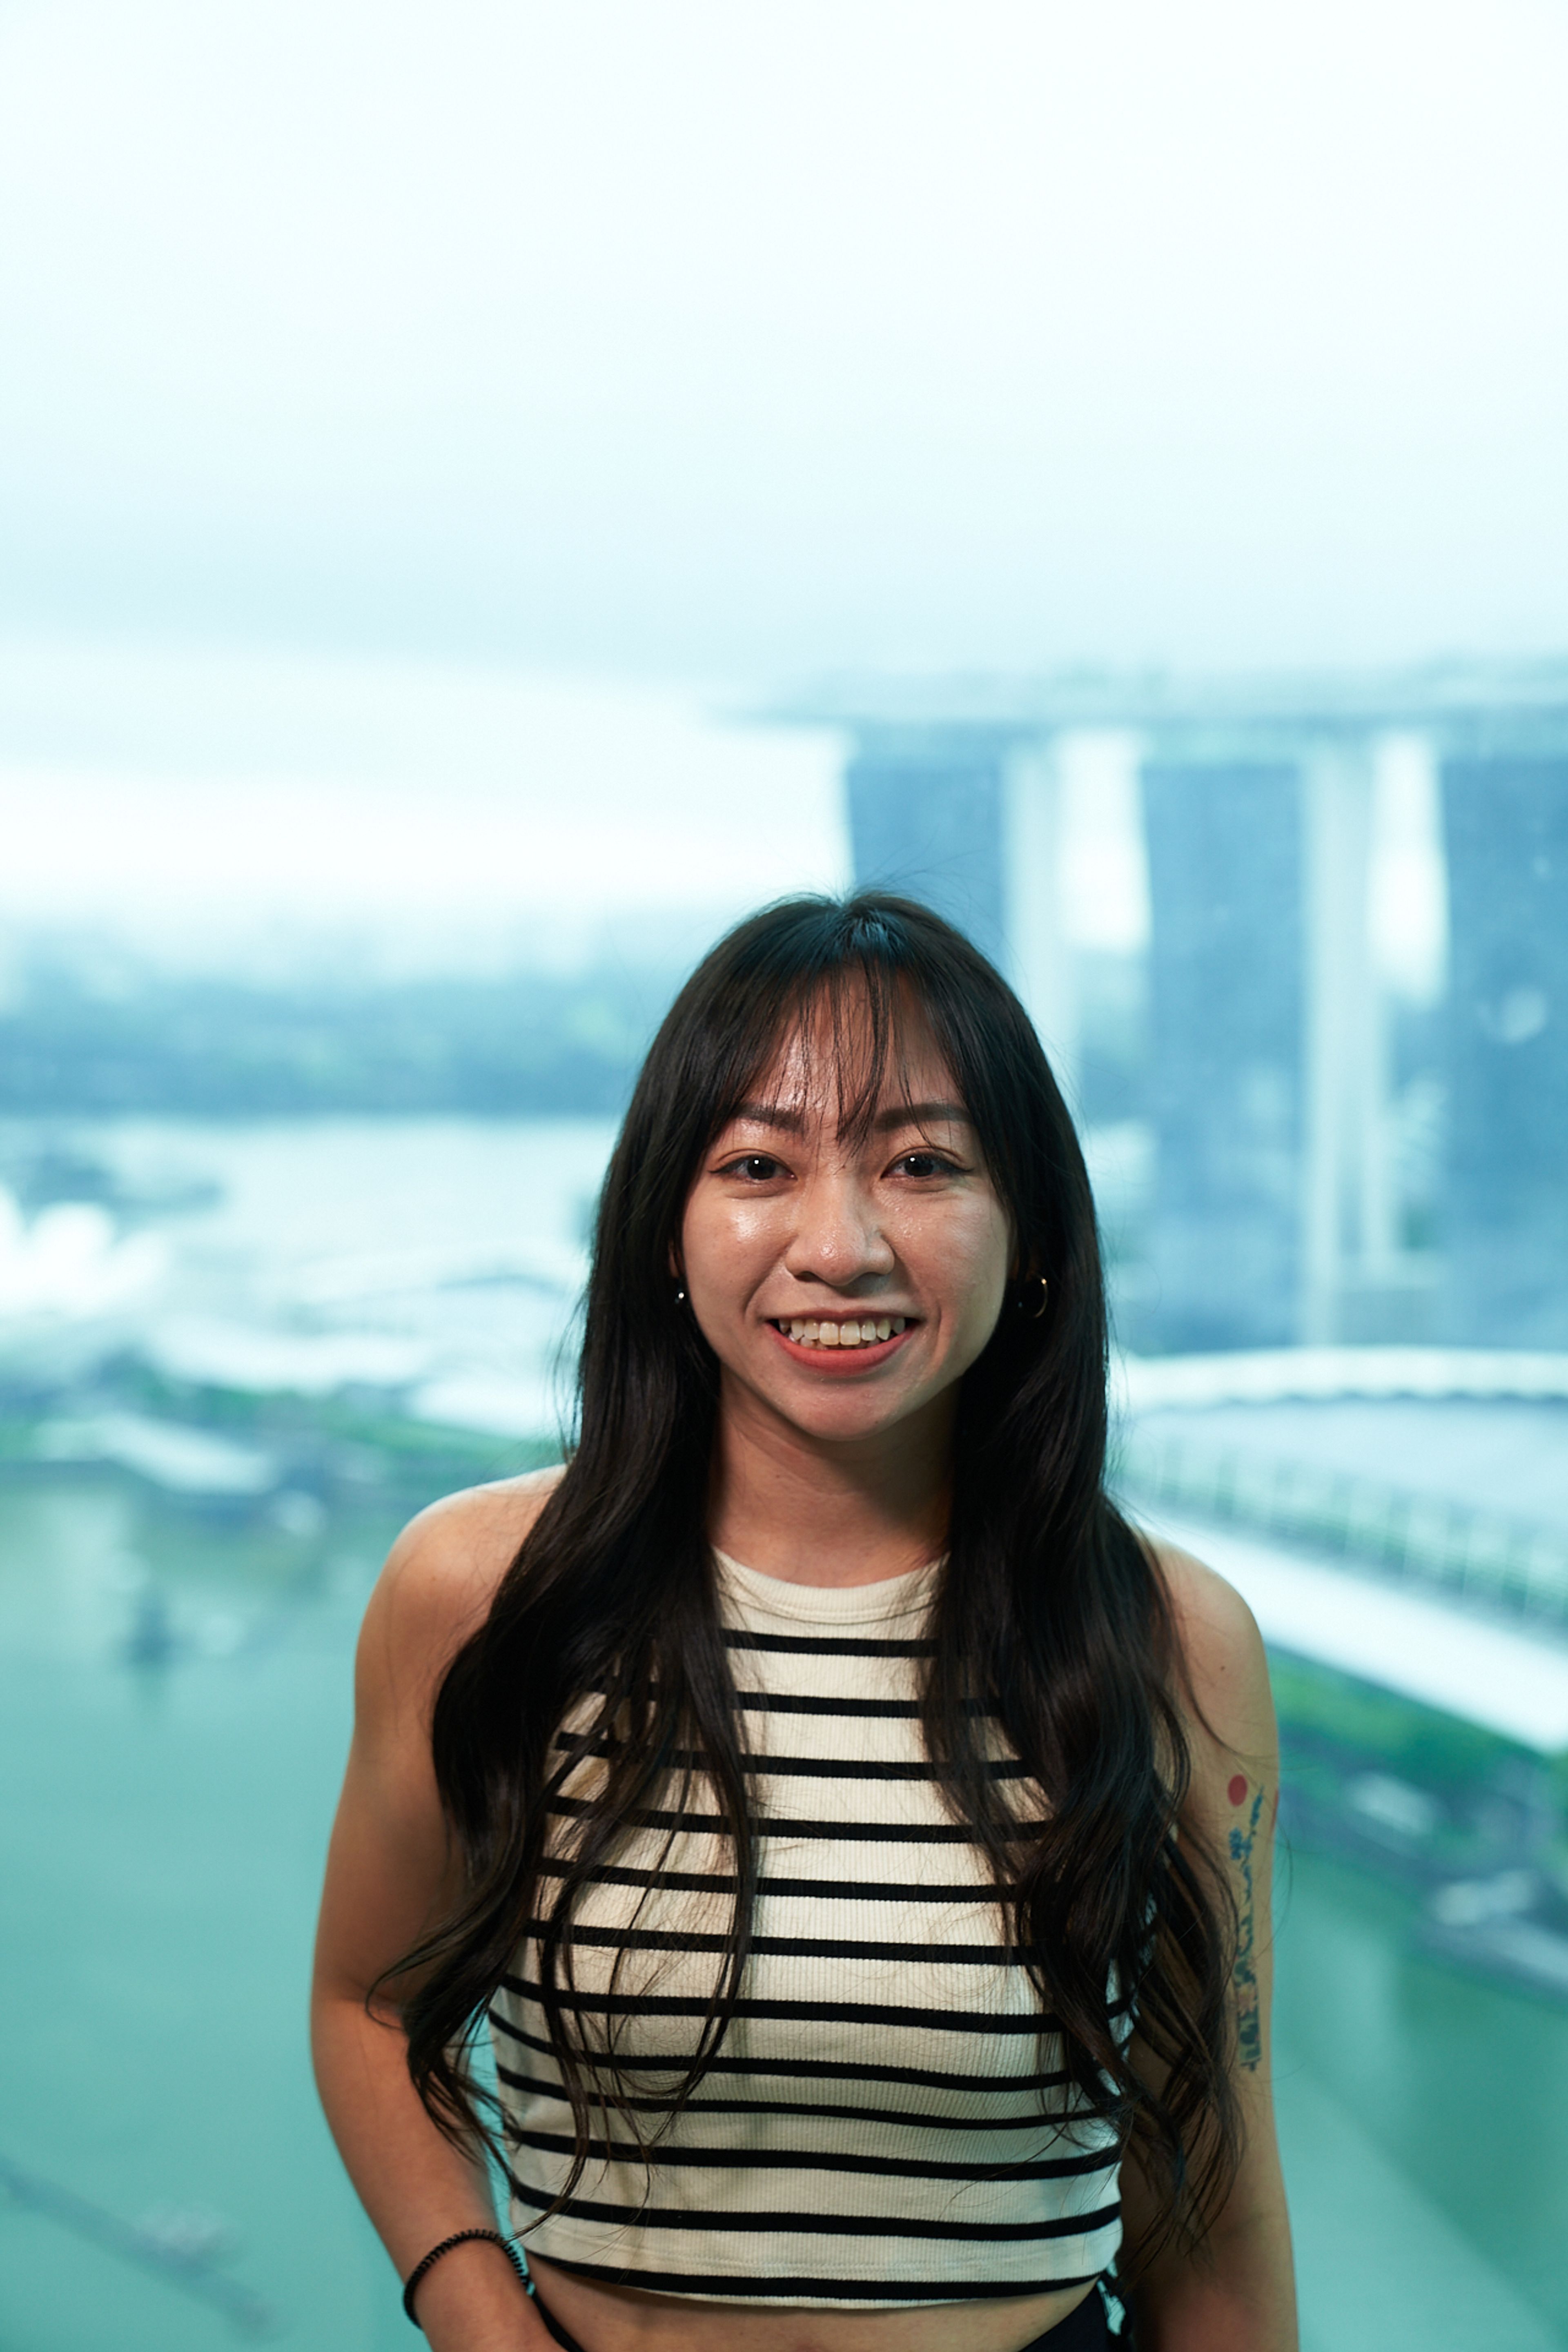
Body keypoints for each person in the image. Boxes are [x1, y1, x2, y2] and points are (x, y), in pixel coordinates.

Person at [312, 893, 1296, 2352]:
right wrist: (487, 2323)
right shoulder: (481, 1592)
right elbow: (369, 2005)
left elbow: (1209, 2186)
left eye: (921, 1165)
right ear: (665, 1228)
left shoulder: (1166, 1642)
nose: (838, 1247)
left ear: (1031, 1235)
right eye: (760, 1164)